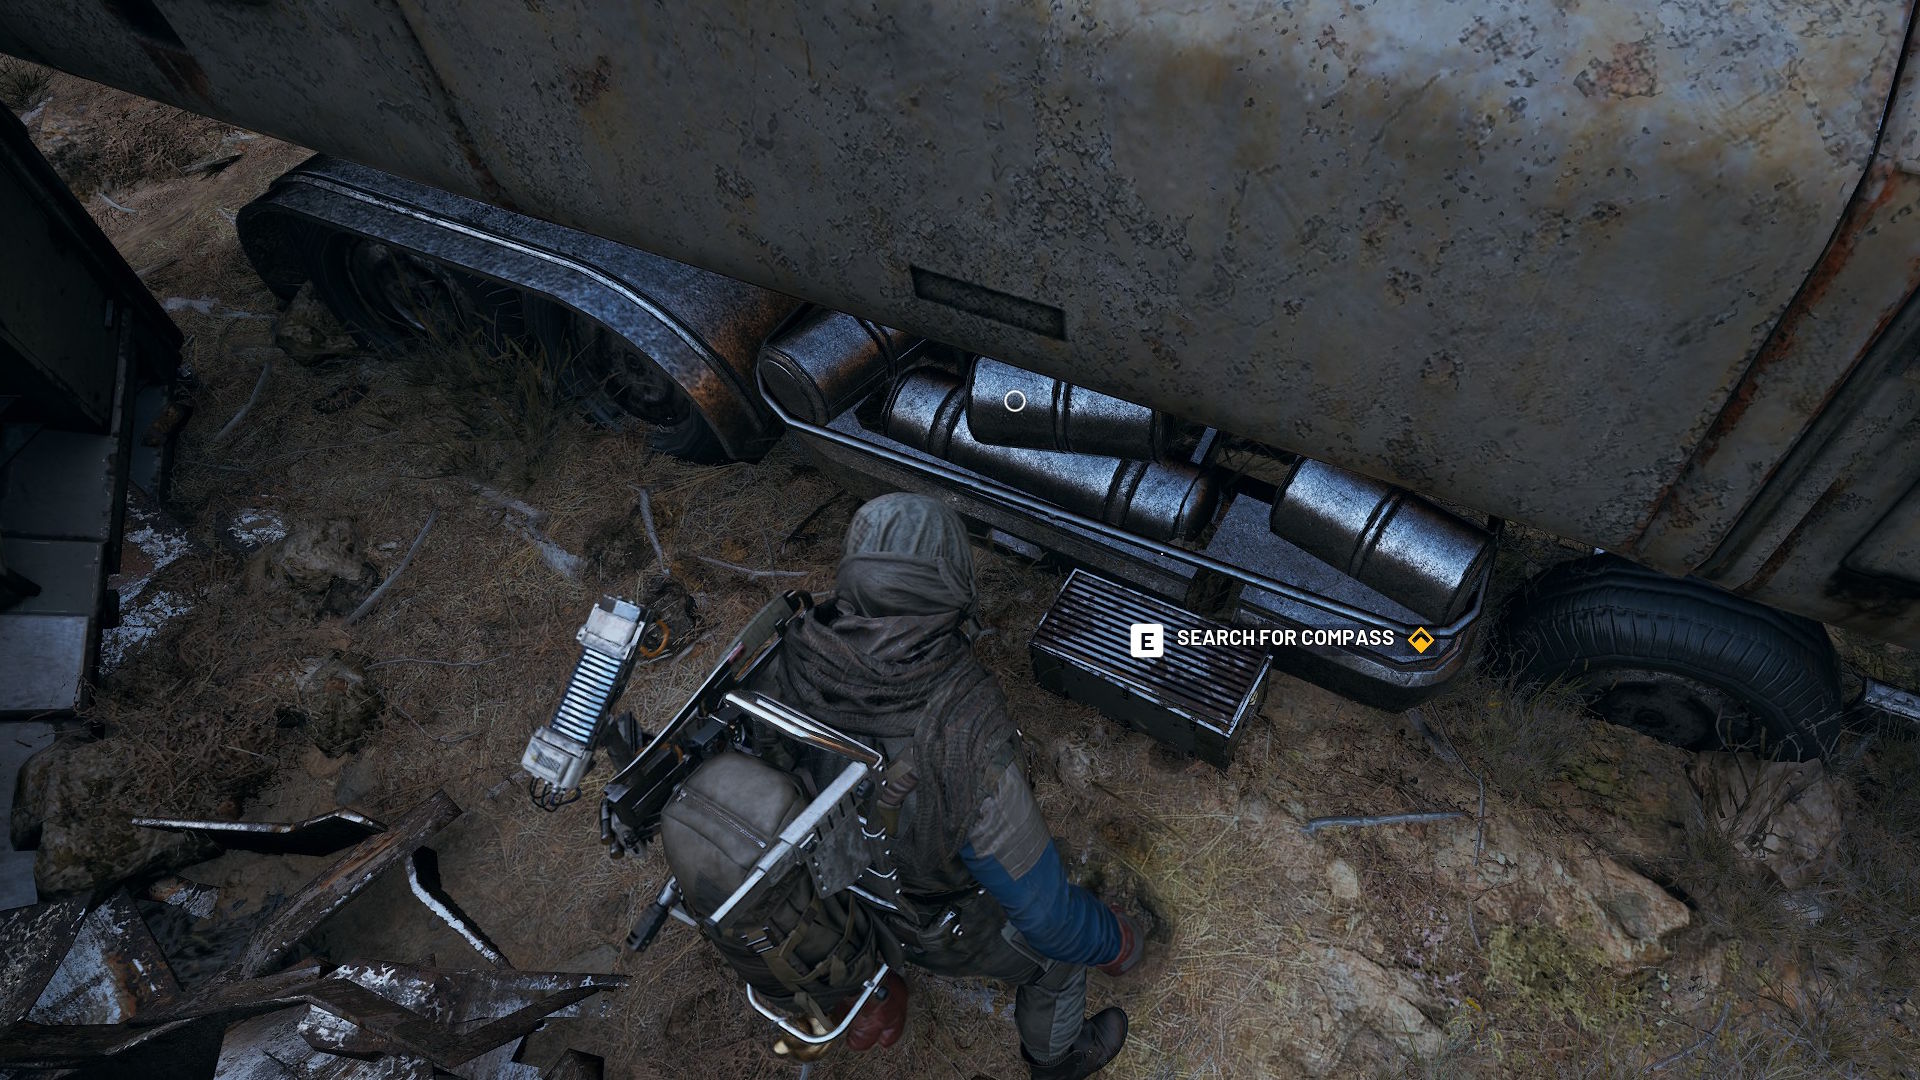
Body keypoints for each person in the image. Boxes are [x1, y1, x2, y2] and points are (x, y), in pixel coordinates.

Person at [761, 492, 1145, 1080]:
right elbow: (1049, 921)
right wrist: (1116, 942)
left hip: (829, 889)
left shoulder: (795, 655)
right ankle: (1058, 1060)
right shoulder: (962, 731)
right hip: (926, 920)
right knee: (1060, 960)